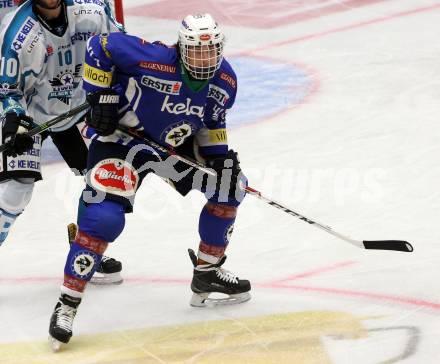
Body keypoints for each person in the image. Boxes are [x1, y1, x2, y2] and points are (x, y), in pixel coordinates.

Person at [48, 12, 251, 350]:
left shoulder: (225, 82)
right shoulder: (152, 57)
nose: (205, 59)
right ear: (181, 48)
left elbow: (211, 126)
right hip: (122, 142)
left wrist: (219, 157)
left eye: (211, 51)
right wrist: (100, 95)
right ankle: (67, 304)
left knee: (230, 186)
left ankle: (207, 272)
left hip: (169, 149)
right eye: (197, 51)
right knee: (104, 219)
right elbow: (101, 46)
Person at [0, 0, 124, 284]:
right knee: (13, 192)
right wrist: (13, 121)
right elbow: (7, 89)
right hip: (31, 113)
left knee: (100, 181)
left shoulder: (91, 11)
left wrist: (112, 95)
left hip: (79, 108)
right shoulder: (19, 34)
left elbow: (122, 49)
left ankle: (84, 250)